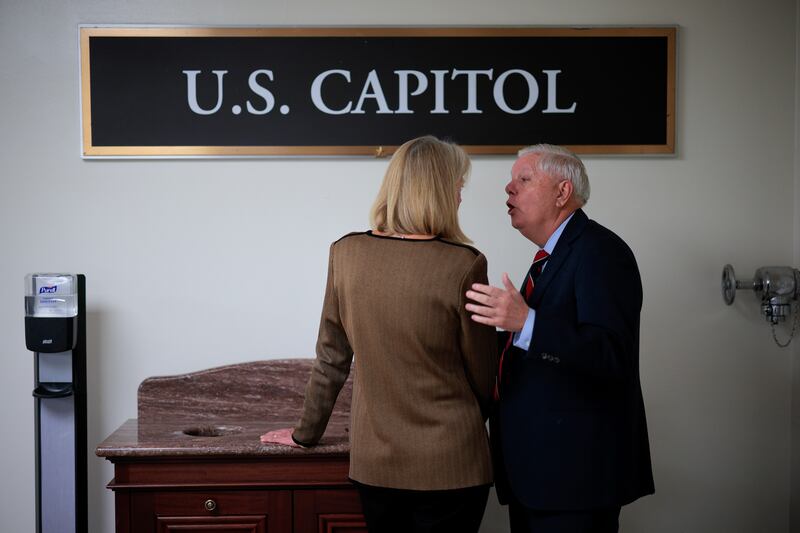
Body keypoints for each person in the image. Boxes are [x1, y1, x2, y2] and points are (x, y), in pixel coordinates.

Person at [261, 135, 498, 533]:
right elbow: (483, 375)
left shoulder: (346, 253)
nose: (460, 197)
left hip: (377, 466)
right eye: (457, 186)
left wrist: (306, 434)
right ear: (437, 191)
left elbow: (331, 360)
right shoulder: (464, 264)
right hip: (452, 464)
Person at [465, 144, 654, 533]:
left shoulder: (601, 252)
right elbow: (544, 351)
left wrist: (526, 322)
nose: (508, 189)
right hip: (539, 477)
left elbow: (610, 354)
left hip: (575, 481)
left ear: (562, 192)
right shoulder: (554, 256)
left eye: (524, 179)